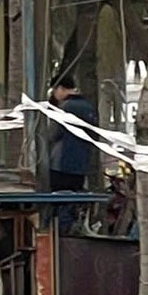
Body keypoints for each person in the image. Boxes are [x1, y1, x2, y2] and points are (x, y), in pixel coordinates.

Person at [47, 75, 98, 230]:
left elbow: (52, 134)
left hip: (60, 164)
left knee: (59, 202)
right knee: (73, 202)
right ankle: (71, 230)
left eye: (54, 91)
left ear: (60, 89)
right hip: (81, 165)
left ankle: (60, 234)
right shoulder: (89, 107)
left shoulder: (65, 107)